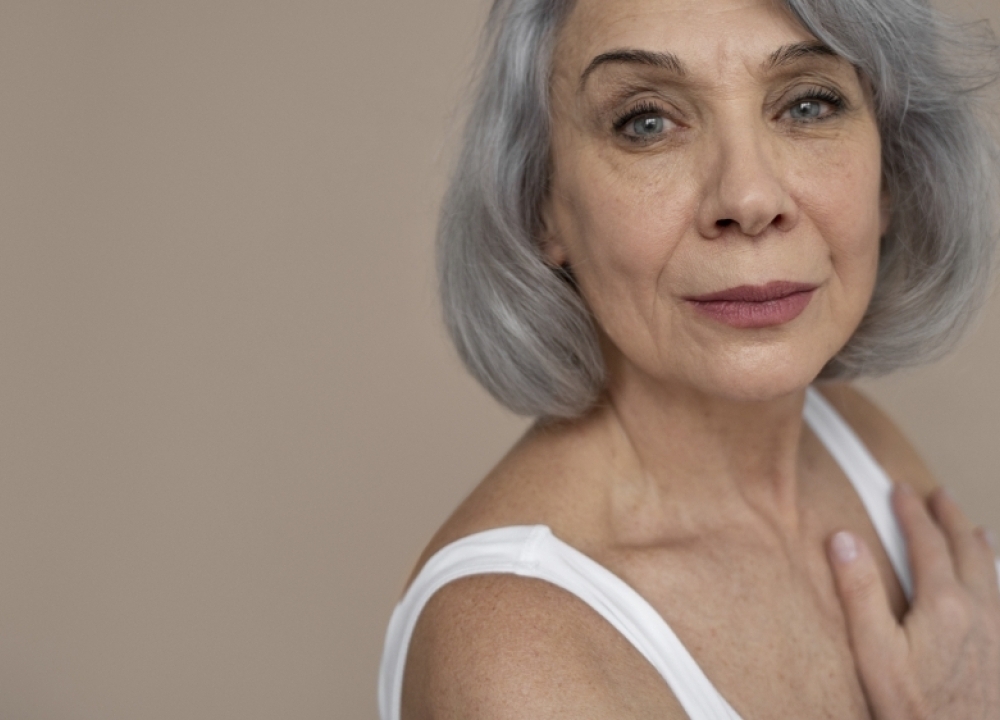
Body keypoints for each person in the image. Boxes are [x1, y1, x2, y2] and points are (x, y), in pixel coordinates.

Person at [380, 0, 1000, 717]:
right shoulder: (517, 653)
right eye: (647, 122)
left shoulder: (854, 436)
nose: (748, 197)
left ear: (890, 171)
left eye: (808, 103)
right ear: (542, 204)